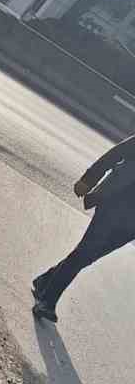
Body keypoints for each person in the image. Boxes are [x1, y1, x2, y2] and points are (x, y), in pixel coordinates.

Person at [33, 134, 135, 322]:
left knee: (89, 256)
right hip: (115, 203)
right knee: (86, 252)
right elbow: (116, 154)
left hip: (131, 225)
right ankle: (48, 301)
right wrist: (88, 180)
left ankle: (45, 281)